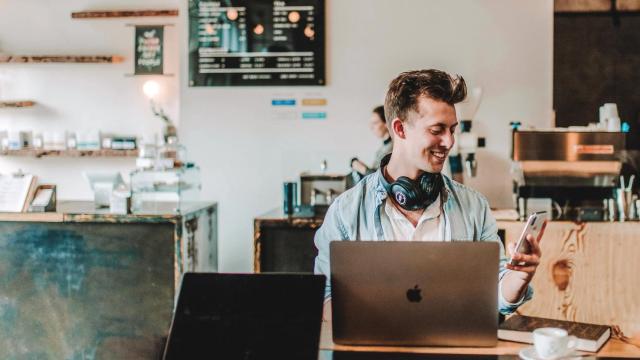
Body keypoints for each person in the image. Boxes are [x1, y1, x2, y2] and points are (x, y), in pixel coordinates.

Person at [314, 69, 543, 317]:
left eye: (452, 130)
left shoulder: (474, 206)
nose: (449, 142)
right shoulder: (346, 211)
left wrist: (518, 278)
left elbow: (497, 293)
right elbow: (326, 296)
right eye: (437, 130)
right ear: (400, 129)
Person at [351, 106, 393, 178]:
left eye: (375, 123)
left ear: (386, 123)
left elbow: (381, 180)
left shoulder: (393, 148)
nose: (371, 127)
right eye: (371, 123)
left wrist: (362, 168)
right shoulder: (384, 147)